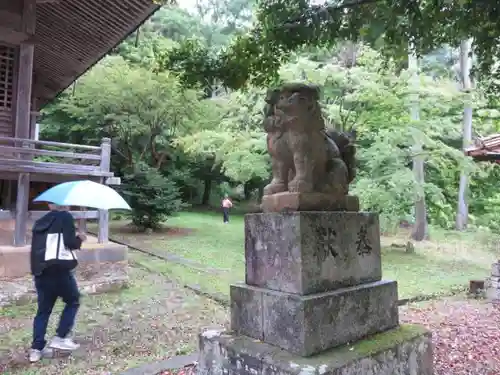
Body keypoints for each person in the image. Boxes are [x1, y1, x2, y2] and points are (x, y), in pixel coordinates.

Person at [29, 204, 87, 363]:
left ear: (49, 205)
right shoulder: (65, 217)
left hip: (41, 271)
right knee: (73, 300)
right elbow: (70, 243)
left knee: (43, 311)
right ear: (65, 204)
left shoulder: (40, 221)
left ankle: (36, 349)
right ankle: (60, 337)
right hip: (59, 270)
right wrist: (80, 238)